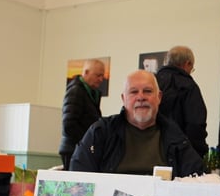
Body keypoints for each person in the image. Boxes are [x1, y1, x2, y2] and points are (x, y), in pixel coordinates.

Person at [70, 70, 204, 178]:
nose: (141, 97)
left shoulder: (175, 136)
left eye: (148, 91)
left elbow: (198, 177)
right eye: (134, 92)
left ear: (159, 97)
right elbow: (78, 178)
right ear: (124, 98)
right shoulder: (101, 132)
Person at [155, 46, 209, 158]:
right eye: (192, 68)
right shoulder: (189, 86)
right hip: (179, 153)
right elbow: (195, 124)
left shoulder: (152, 83)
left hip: (151, 150)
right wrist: (199, 153)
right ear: (187, 64)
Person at [58, 59, 106, 170]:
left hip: (80, 148)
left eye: (102, 76)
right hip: (74, 149)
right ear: (86, 72)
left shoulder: (90, 92)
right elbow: (69, 125)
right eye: (98, 75)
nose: (101, 79)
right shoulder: (76, 91)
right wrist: (87, 142)